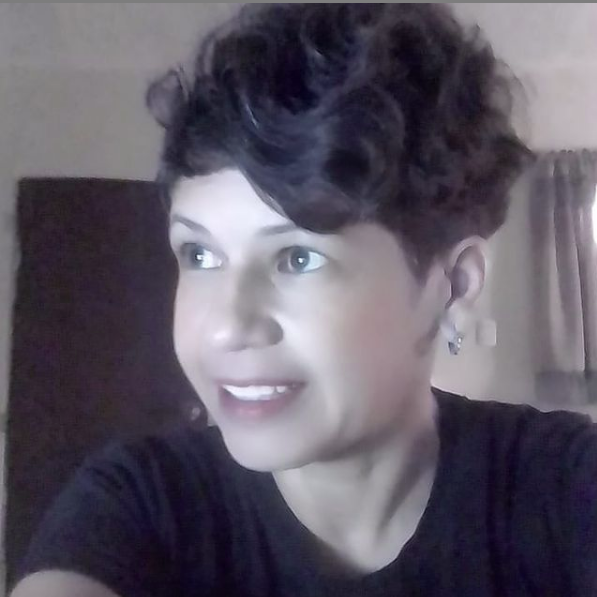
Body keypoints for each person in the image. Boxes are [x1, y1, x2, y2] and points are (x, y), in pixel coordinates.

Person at [11, 4, 597, 597]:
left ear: (455, 286)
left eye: (298, 258)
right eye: (200, 255)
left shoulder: (563, 487)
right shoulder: (137, 504)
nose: (225, 326)